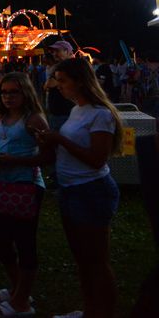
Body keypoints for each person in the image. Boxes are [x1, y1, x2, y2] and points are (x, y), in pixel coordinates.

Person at [35, 58, 123, 318]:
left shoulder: (101, 114)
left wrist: (59, 138)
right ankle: (89, 310)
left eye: (62, 81)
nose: (57, 86)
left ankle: (104, 311)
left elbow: (97, 159)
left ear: (80, 81)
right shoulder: (77, 110)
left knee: (97, 261)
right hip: (70, 190)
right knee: (82, 260)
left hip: (91, 191)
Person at [0, 73, 51, 317]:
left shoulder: (34, 120)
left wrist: (15, 160)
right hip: (1, 185)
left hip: (27, 186)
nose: (8, 97)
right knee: (0, 242)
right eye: (4, 92)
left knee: (24, 242)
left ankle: (22, 302)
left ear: (25, 93)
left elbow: (47, 156)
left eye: (14, 92)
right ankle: (18, 288)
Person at [44, 41, 75, 130]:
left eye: (57, 51)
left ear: (66, 51)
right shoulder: (62, 66)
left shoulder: (66, 67)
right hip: (62, 110)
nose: (54, 54)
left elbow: (48, 84)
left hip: (63, 111)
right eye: (53, 52)